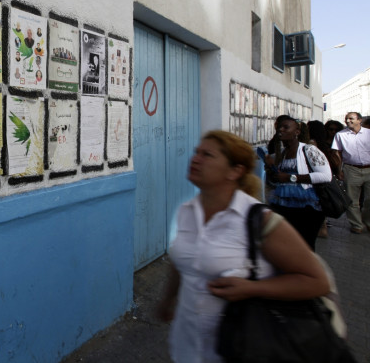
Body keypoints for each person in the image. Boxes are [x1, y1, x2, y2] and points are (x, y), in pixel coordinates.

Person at [157, 130, 330, 363]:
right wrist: (168, 300)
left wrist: (252, 288)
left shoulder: (259, 221)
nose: (195, 159)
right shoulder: (187, 211)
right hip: (187, 346)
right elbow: (185, 259)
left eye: (207, 155)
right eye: (196, 152)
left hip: (243, 347)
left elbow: (316, 281)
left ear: (234, 171)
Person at [264, 117, 331, 250]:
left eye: (285, 127)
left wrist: (291, 177)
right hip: (283, 205)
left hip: (306, 207)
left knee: (305, 245)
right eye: (279, 128)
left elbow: (326, 176)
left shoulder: (309, 150)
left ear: (297, 132)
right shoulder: (282, 153)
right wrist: (271, 170)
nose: (280, 130)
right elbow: (277, 180)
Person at [331, 111, 370, 233]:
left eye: (351, 119)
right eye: (346, 119)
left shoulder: (368, 133)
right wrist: (339, 170)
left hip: (369, 169)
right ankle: (357, 225)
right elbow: (336, 153)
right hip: (351, 169)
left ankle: (368, 222)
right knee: (352, 200)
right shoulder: (340, 135)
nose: (348, 121)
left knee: (369, 200)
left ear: (359, 120)